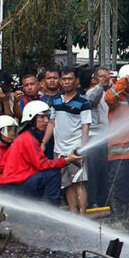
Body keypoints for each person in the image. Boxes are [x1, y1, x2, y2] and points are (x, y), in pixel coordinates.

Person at [0, 100, 81, 201]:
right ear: (32, 119)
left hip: (15, 184)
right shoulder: (28, 139)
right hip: (17, 186)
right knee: (53, 174)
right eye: (42, 117)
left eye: (47, 117)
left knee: (45, 176)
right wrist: (66, 160)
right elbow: (42, 164)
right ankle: (49, 209)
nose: (46, 121)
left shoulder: (26, 137)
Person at [48, 67, 92, 214]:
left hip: (75, 148)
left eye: (69, 79)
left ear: (76, 81)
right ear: (60, 81)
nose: (66, 82)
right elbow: (51, 122)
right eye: (64, 79)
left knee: (79, 182)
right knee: (66, 184)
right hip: (59, 150)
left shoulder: (83, 102)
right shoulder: (55, 101)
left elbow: (86, 126)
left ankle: (82, 215)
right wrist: (43, 143)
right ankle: (73, 213)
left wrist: (83, 148)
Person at [105, 64, 129, 221]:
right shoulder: (116, 99)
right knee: (117, 185)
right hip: (118, 151)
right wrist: (121, 82)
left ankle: (126, 218)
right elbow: (108, 97)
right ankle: (116, 218)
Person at [85, 66, 111, 208]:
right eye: (101, 76)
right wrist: (101, 85)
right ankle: (93, 201)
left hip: (109, 137)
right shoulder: (92, 92)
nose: (105, 79)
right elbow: (91, 101)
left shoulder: (112, 93)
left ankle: (104, 199)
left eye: (107, 76)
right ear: (95, 79)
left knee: (106, 170)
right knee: (94, 171)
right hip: (95, 137)